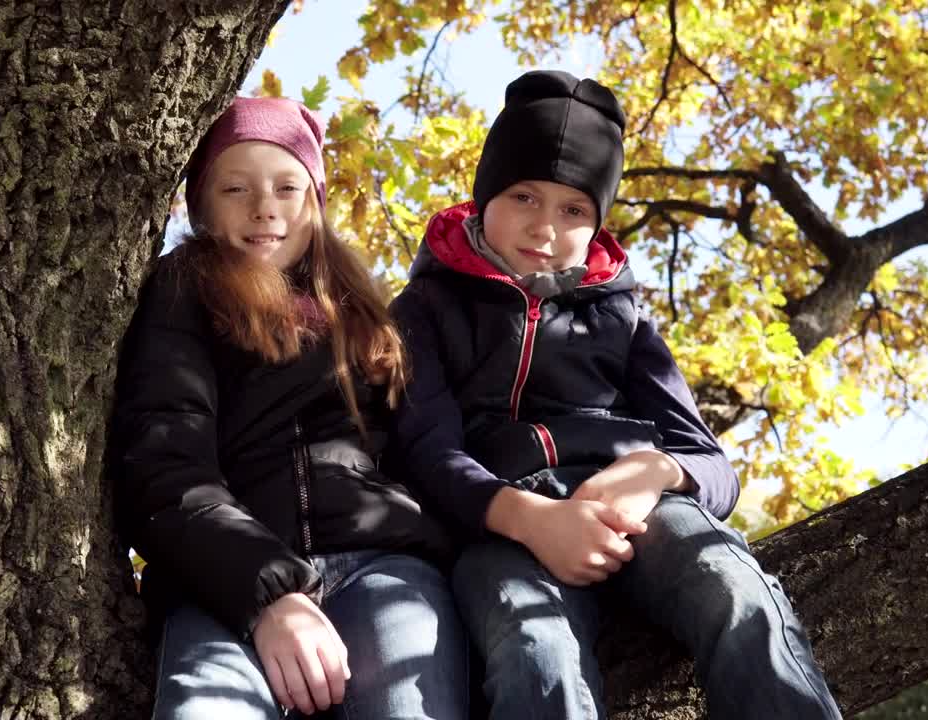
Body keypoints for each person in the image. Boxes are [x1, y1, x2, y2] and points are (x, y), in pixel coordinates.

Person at [388, 70, 841, 719]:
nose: (544, 227)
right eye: (523, 196)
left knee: (734, 589)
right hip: (499, 527)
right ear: (485, 195)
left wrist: (654, 471)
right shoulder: (424, 309)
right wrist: (532, 519)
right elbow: (427, 456)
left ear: (597, 222)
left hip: (634, 507)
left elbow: (710, 464)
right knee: (533, 648)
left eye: (573, 209)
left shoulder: (623, 317)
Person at [110, 96, 467, 720]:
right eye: (236, 187)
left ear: (315, 201)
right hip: (221, 578)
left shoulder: (366, 315)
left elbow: (431, 450)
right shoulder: (182, 294)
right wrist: (270, 595)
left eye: (287, 186)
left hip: (384, 569)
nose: (264, 207)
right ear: (199, 205)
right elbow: (165, 465)